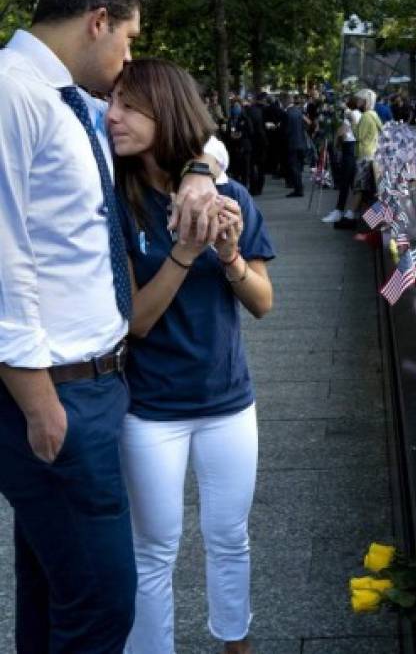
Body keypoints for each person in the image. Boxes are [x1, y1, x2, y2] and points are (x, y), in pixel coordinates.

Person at [0, 0, 224, 650]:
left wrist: (198, 171)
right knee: (101, 604)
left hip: (93, 385)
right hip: (56, 389)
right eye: (128, 41)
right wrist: (41, 402)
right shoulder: (13, 93)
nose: (130, 60)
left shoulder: (73, 103)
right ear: (99, 21)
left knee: (54, 588)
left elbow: (196, 135)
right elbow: (3, 256)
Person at [107, 58, 275, 654]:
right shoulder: (117, 202)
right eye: (113, 102)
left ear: (166, 110)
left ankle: (236, 643)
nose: (112, 116)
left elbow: (262, 302)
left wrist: (228, 254)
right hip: (150, 409)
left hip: (228, 401)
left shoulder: (226, 196)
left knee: (230, 537)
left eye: (128, 105)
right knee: (154, 550)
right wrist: (184, 251)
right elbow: (137, 322)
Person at [336, 89, 382, 229]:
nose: (358, 103)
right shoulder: (374, 115)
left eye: (360, 100)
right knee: (362, 190)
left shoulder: (366, 116)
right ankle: (354, 217)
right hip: (371, 153)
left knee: (359, 188)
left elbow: (358, 135)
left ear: (366, 102)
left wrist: (352, 121)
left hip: (364, 155)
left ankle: (350, 217)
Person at [322, 96, 359, 224]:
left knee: (346, 182)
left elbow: (342, 132)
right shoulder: (357, 114)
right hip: (353, 147)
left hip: (350, 147)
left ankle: (341, 210)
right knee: (351, 183)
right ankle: (347, 211)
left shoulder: (351, 113)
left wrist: (337, 142)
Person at [284, 93, 309, 198]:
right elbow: (307, 123)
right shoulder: (299, 111)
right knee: (298, 167)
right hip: (301, 142)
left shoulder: (287, 113)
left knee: (294, 167)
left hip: (292, 143)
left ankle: (298, 189)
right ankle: (299, 187)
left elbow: (286, 131)